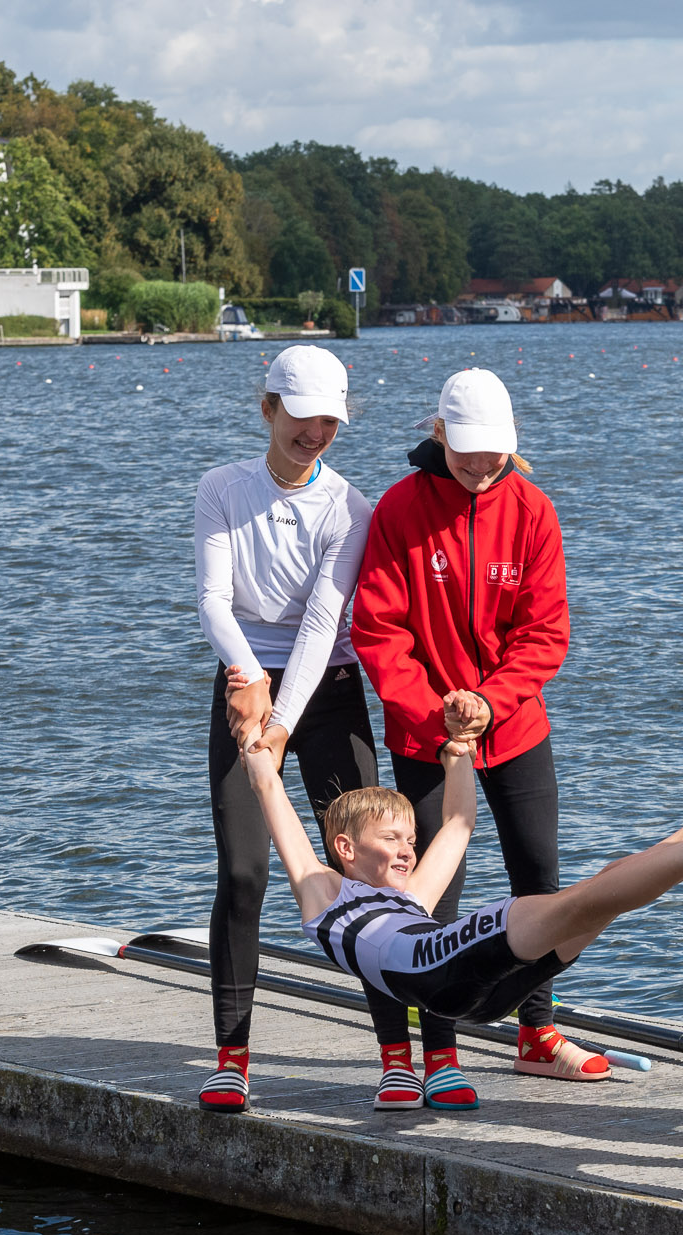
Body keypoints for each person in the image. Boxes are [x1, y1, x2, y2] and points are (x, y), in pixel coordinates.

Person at [350, 366, 607, 1110]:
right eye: (466, 455)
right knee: (432, 892)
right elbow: (377, 627)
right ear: (438, 435)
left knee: (541, 878)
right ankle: (439, 1050)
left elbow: (545, 630)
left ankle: (538, 1030)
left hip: (514, 724)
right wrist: (438, 712)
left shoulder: (533, 510)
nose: (481, 467)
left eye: (493, 455)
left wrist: (489, 703)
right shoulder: (400, 508)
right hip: (425, 732)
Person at [236, 723, 683, 1039]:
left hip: (473, 998)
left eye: (408, 840)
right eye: (391, 840)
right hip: (437, 966)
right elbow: (273, 800)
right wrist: (259, 753)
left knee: (603, 892)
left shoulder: (413, 898)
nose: (407, 850)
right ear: (346, 849)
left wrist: (459, 756)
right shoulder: (323, 890)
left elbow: (456, 823)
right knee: (578, 901)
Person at [194, 343, 412, 1113]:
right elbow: (215, 602)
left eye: (329, 422)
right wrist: (250, 679)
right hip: (245, 678)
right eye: (301, 418)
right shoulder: (222, 488)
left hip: (329, 687)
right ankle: (231, 1054)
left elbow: (324, 622)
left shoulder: (350, 508)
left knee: (372, 874)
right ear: (267, 409)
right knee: (245, 873)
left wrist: (281, 720)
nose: (315, 433)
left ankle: (396, 1056)